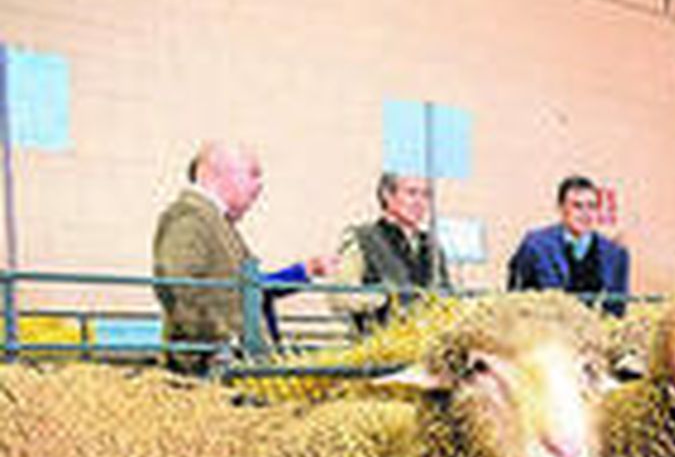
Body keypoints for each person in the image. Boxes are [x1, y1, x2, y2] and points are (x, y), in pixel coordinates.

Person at [152, 141, 331, 373]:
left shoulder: (214, 221)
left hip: (230, 364)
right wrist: (219, 344)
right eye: (253, 173)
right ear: (217, 172)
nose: (260, 185)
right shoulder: (188, 218)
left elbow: (246, 289)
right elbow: (178, 289)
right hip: (207, 370)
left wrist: (303, 271)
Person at [330, 172, 451, 334]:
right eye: (411, 193)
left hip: (429, 342)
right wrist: (383, 299)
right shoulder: (362, 239)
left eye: (426, 195)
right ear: (387, 195)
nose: (420, 202)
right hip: (380, 343)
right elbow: (338, 296)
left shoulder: (432, 246)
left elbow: (446, 295)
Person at [506, 174, 630, 316]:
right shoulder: (535, 246)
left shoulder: (615, 254)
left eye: (592, 206)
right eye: (577, 206)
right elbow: (515, 298)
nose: (586, 214)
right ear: (561, 209)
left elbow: (617, 311)